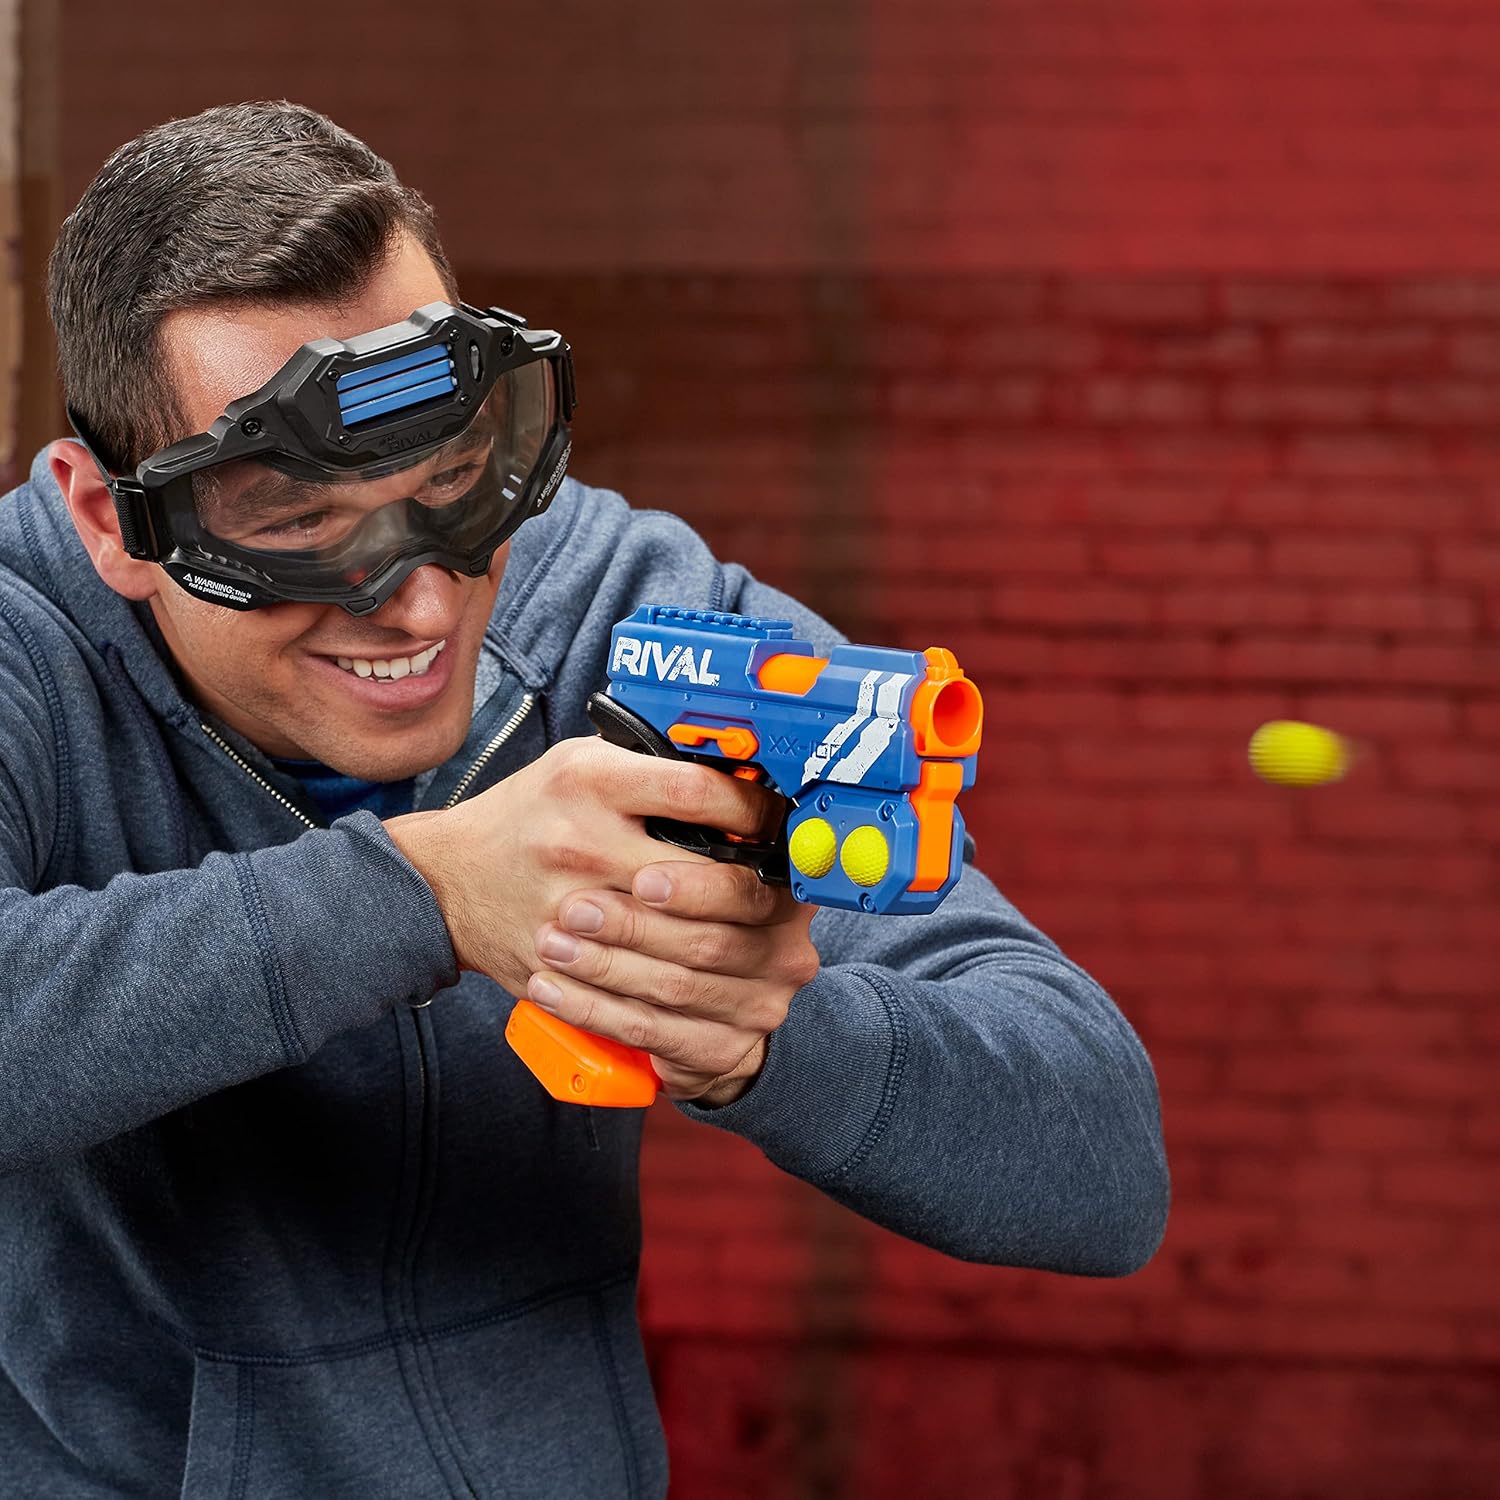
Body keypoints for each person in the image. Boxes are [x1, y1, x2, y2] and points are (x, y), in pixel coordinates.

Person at [0, 102, 1169, 1497]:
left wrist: (753, 1038)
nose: (421, 604)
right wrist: (427, 894)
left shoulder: (626, 614)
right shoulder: (22, 650)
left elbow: (1099, 1165)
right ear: (108, 518)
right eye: (303, 526)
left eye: (452, 485)